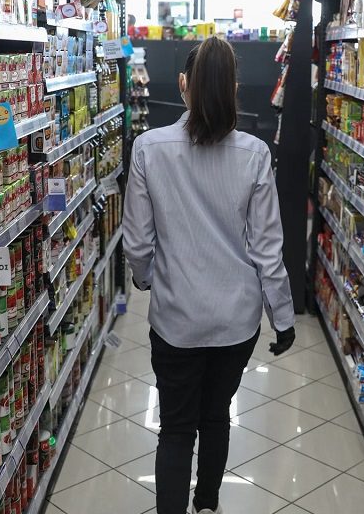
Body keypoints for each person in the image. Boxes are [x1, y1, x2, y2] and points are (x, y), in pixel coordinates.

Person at [122, 37, 296, 514]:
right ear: (234, 89)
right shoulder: (255, 153)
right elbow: (267, 249)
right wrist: (282, 318)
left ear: (184, 84)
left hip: (175, 318)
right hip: (236, 321)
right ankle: (207, 504)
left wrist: (146, 278)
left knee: (176, 428)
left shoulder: (149, 148)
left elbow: (137, 242)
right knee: (216, 417)